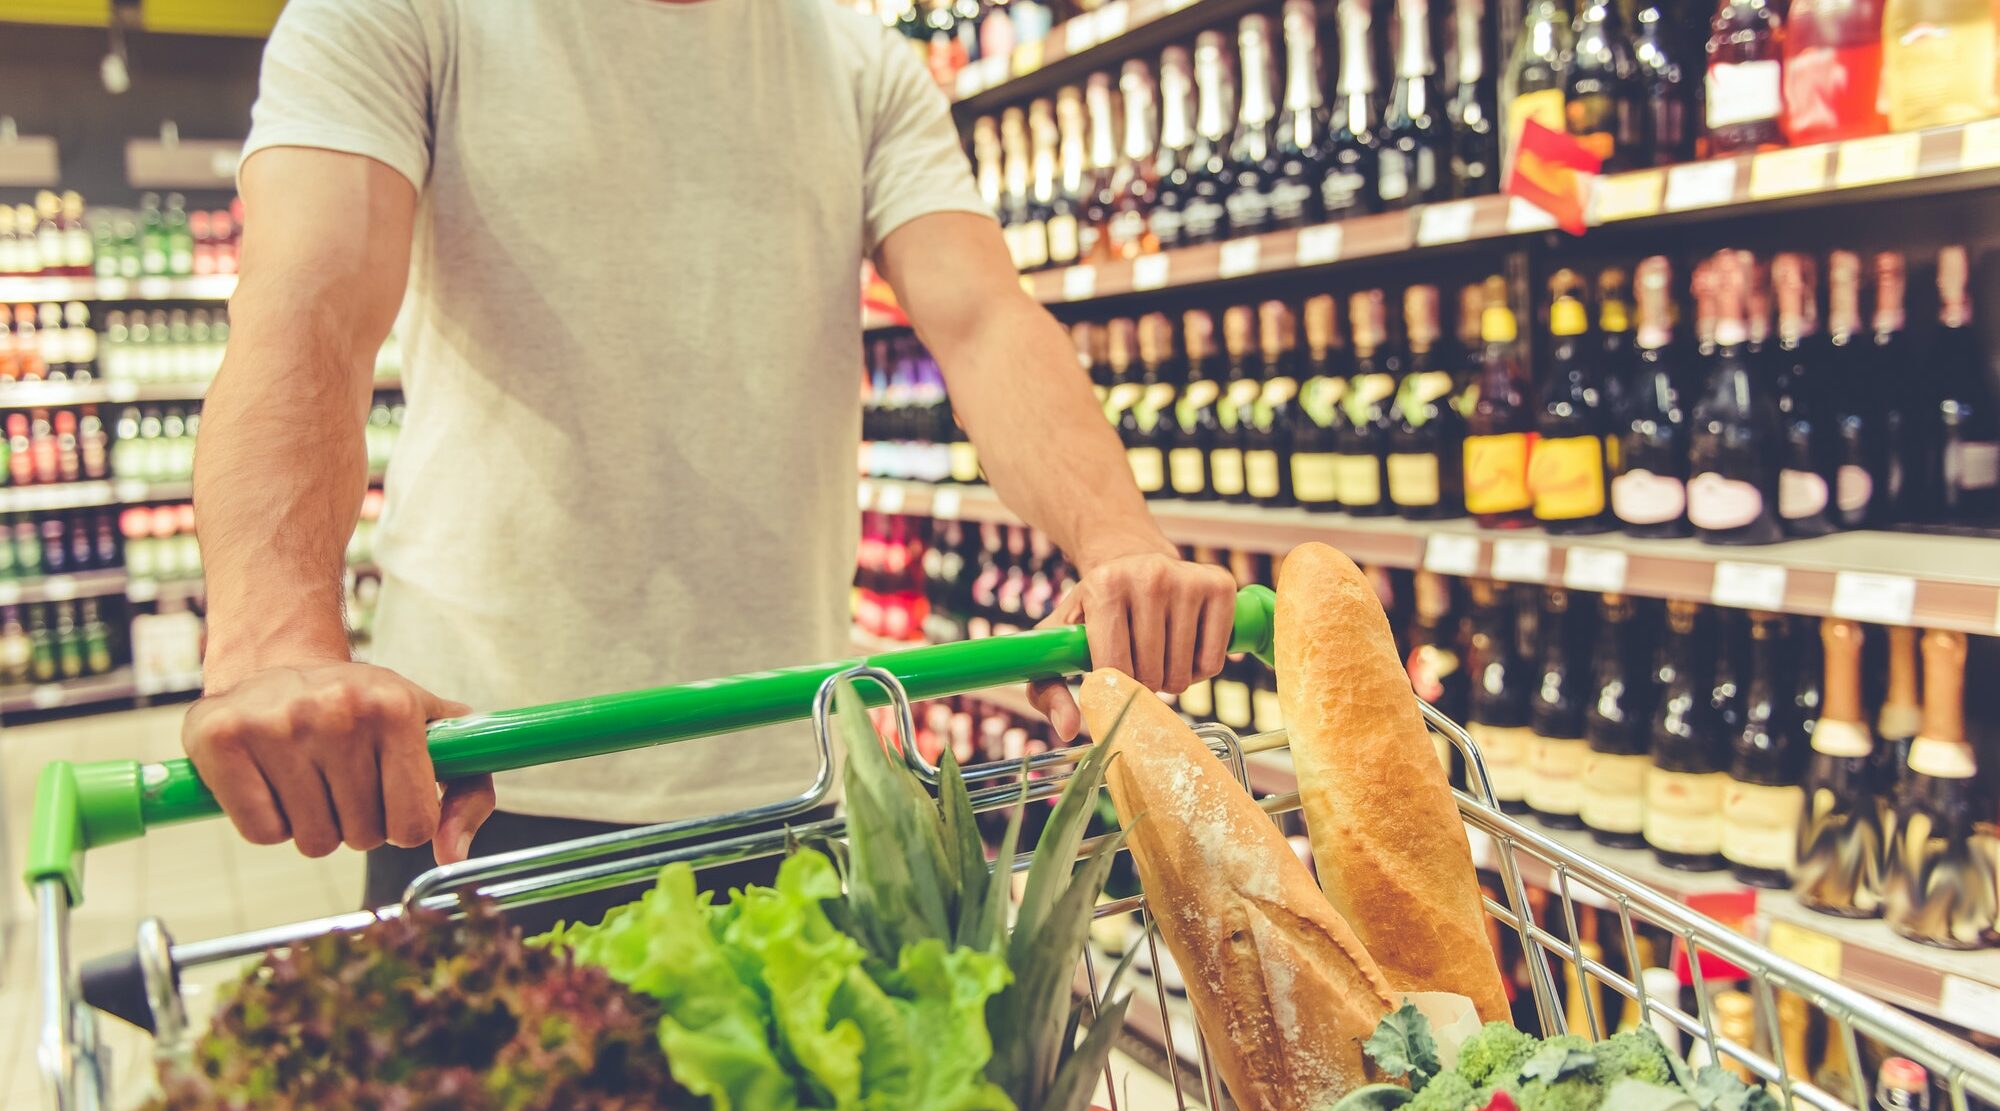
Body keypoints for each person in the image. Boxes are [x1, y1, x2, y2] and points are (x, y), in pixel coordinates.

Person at [182, 0, 1238, 918]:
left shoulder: (861, 64)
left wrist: (1116, 541)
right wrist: (277, 640)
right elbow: (308, 306)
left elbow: (983, 320)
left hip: (798, 776)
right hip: (477, 785)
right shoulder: (405, 13)